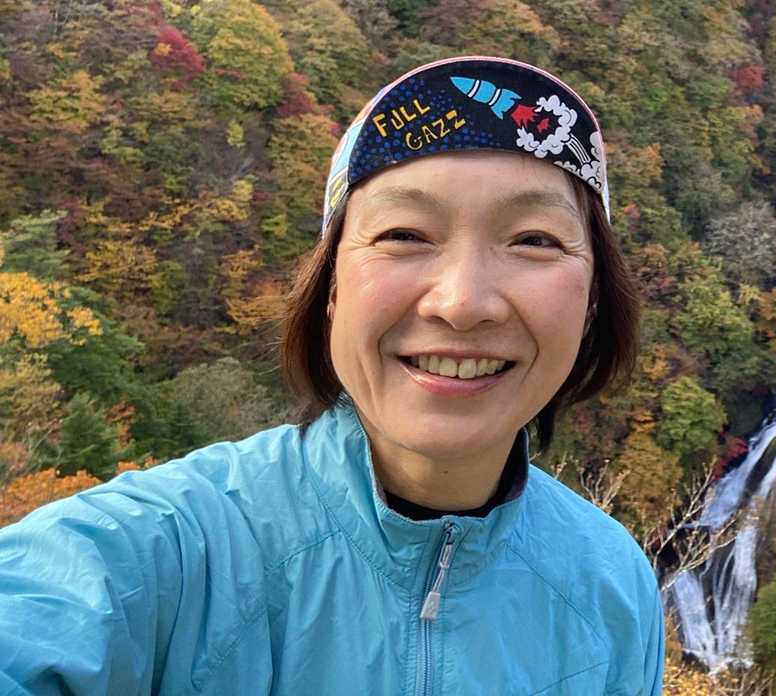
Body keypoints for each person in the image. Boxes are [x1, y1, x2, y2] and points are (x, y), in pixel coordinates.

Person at [0, 56, 664, 695]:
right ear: (331, 289)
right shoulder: (164, 553)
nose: (462, 303)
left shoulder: (612, 587)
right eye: (404, 235)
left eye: (534, 241)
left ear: (593, 302)